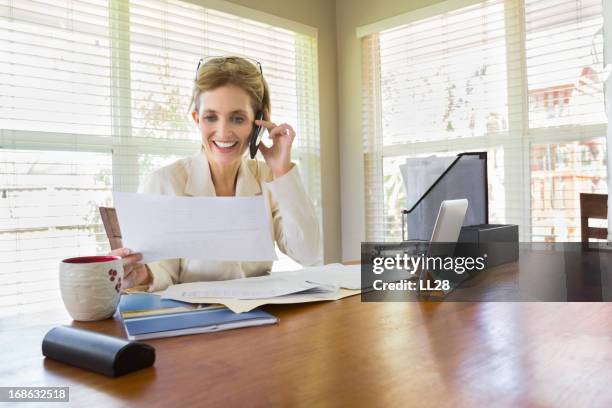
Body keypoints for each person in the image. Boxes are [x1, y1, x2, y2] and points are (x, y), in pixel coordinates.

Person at [110, 56, 320, 292]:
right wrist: (144, 274)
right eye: (211, 117)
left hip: (263, 318)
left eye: (237, 118)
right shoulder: (165, 182)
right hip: (195, 320)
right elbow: (162, 272)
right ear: (196, 119)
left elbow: (308, 252)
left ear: (258, 123)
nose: (223, 132)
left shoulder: (268, 178)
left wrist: (282, 170)